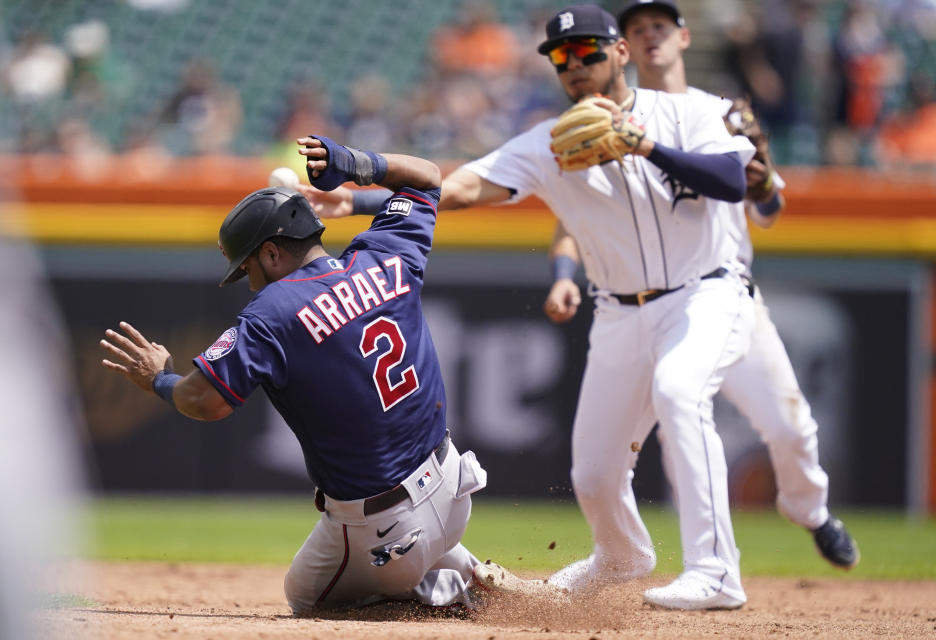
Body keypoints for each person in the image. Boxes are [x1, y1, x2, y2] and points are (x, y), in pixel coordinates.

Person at [298, 4, 758, 611]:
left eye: (589, 50)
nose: (576, 65)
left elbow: (733, 178)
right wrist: (357, 194)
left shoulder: (686, 112)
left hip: (707, 290)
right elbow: (460, 186)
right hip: (620, 312)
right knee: (594, 474)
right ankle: (621, 555)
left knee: (680, 393)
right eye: (562, 57)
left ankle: (716, 570)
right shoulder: (550, 143)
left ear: (621, 52)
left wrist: (643, 145)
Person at [99, 133, 536, 615]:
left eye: (248, 268)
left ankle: (443, 595)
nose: (250, 282)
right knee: (402, 536)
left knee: (305, 598)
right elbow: (428, 179)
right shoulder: (383, 253)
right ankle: (466, 566)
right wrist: (354, 162)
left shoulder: (273, 313)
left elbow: (204, 400)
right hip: (455, 487)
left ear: (270, 254)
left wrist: (159, 377)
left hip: (386, 528)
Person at [543, 0, 859, 579]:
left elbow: (769, 209)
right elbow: (576, 219)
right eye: (637, 29)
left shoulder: (716, 114)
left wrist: (761, 184)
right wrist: (565, 276)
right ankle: (652, 561)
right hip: (651, 305)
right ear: (623, 47)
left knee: (790, 428)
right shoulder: (609, 122)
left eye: (660, 26)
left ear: (684, 37)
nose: (650, 36)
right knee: (672, 408)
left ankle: (810, 511)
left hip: (726, 294)